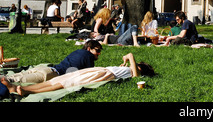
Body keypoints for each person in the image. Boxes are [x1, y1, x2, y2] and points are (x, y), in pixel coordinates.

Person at [1, 53, 154, 97]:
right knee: (62, 79)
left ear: (139, 68)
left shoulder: (136, 73)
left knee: (63, 84)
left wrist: (129, 57)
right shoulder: (127, 70)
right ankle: (18, 87)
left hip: (102, 74)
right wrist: (124, 65)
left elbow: (133, 70)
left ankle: (26, 90)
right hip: (98, 71)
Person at [3, 40, 102, 84]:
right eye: (97, 50)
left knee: (12, 77)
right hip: (50, 74)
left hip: (45, 69)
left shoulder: (77, 52)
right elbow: (90, 74)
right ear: (89, 49)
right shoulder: (88, 56)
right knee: (12, 81)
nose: (99, 54)